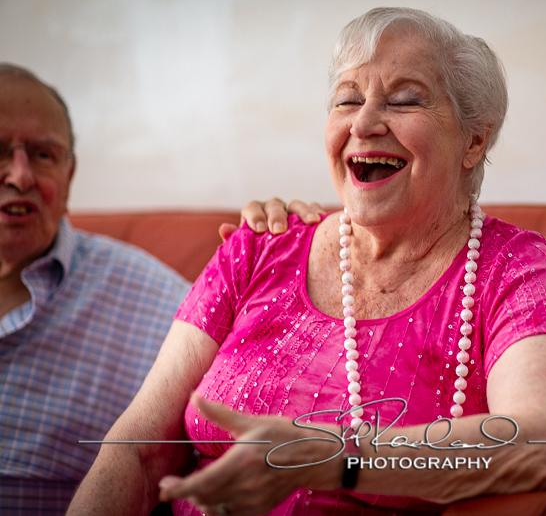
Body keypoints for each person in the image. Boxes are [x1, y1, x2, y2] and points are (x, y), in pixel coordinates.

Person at [69, 7, 546, 516]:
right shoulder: (259, 246)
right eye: (347, 101)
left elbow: (538, 444)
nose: (365, 122)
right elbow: (135, 451)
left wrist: (332, 459)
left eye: (405, 100)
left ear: (474, 138)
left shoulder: (519, 272)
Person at [0, 63, 318, 514]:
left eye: (43, 155)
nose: (20, 176)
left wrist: (288, 252)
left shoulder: (150, 294)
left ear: (70, 177)